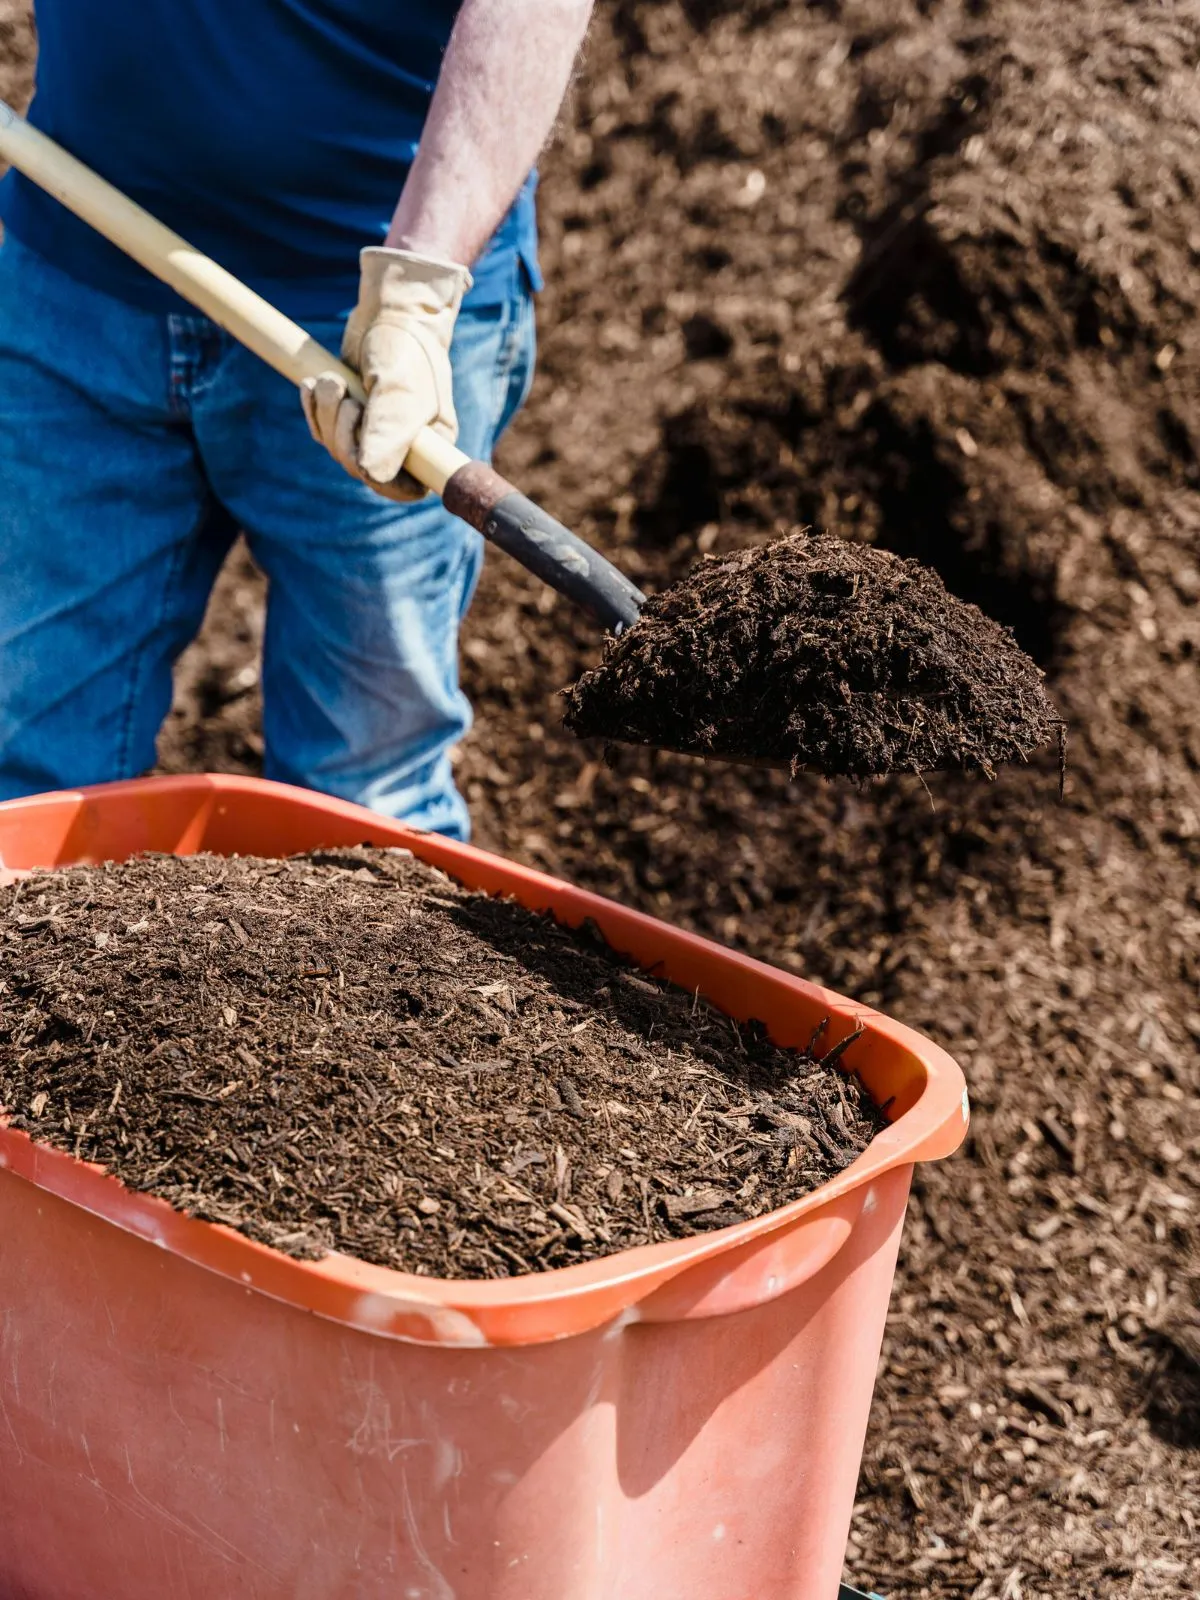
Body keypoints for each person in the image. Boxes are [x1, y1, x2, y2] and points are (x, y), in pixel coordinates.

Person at [0, 0, 595, 840]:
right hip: (79, 261)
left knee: (364, 806)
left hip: (372, 318)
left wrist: (416, 290)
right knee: (22, 771)